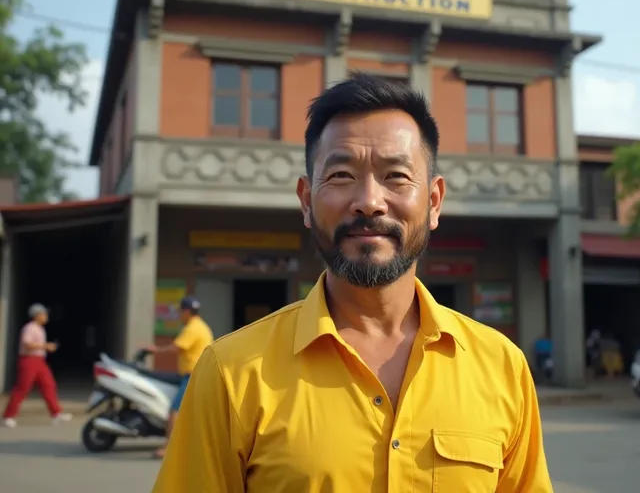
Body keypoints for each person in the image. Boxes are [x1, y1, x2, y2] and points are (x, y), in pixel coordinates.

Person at [153, 74, 552, 492]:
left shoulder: (502, 367)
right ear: (306, 200)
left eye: (396, 175)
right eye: (341, 175)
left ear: (433, 202)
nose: (369, 201)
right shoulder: (230, 374)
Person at [145, 296, 213, 459]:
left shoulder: (193, 328)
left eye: (180, 312)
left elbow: (177, 347)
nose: (179, 315)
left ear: (186, 312)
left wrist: (155, 350)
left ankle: (168, 448)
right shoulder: (200, 326)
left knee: (174, 411)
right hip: (194, 374)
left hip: (192, 376)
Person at [2, 304, 73, 427]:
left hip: (39, 360)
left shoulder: (40, 328)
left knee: (48, 385)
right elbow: (27, 344)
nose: (46, 316)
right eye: (44, 314)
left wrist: (46, 347)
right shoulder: (29, 328)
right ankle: (8, 416)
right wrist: (46, 346)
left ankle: (56, 413)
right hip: (29, 360)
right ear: (37, 315)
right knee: (22, 388)